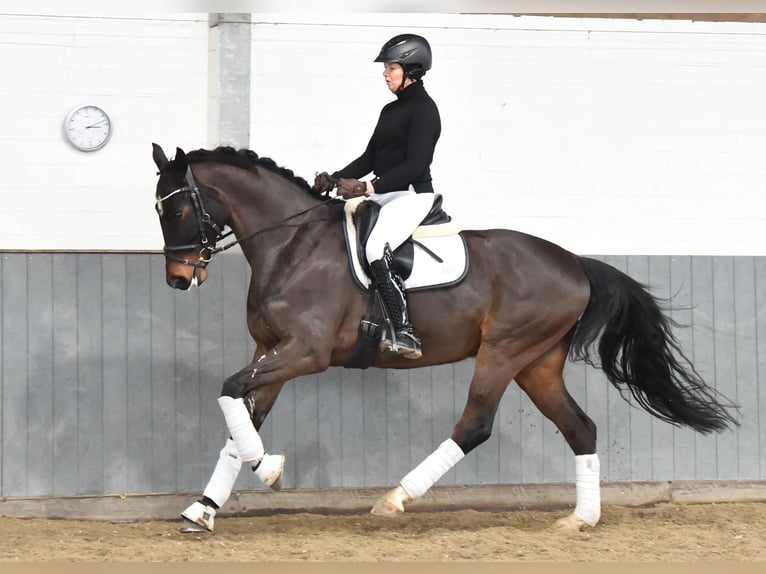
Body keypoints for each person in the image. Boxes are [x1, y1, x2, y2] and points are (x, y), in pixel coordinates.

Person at [314, 33, 441, 360]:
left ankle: (404, 331)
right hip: (386, 194)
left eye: (391, 68)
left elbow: (416, 164)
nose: (385, 73)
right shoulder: (390, 111)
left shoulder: (426, 111)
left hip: (412, 196)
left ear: (411, 70)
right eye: (386, 68)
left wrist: (369, 187)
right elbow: (370, 158)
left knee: (374, 248)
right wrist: (336, 177)